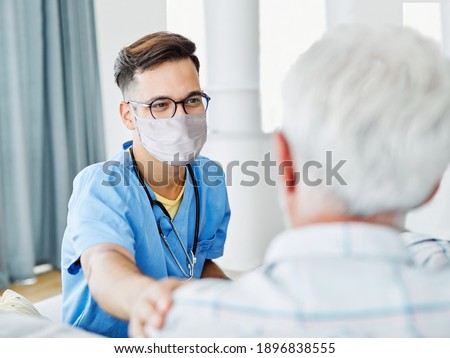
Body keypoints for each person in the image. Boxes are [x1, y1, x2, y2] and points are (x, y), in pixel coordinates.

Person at [145, 24, 450, 337]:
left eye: (192, 101)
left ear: (284, 163)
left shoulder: (182, 324)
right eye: (161, 104)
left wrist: (178, 305)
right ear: (433, 184)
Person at [61, 32, 231, 338]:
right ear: (129, 115)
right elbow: (104, 267)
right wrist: (143, 298)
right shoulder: (102, 186)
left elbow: (198, 262)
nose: (181, 116)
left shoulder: (210, 178)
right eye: (160, 105)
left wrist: (236, 299)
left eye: (192, 100)